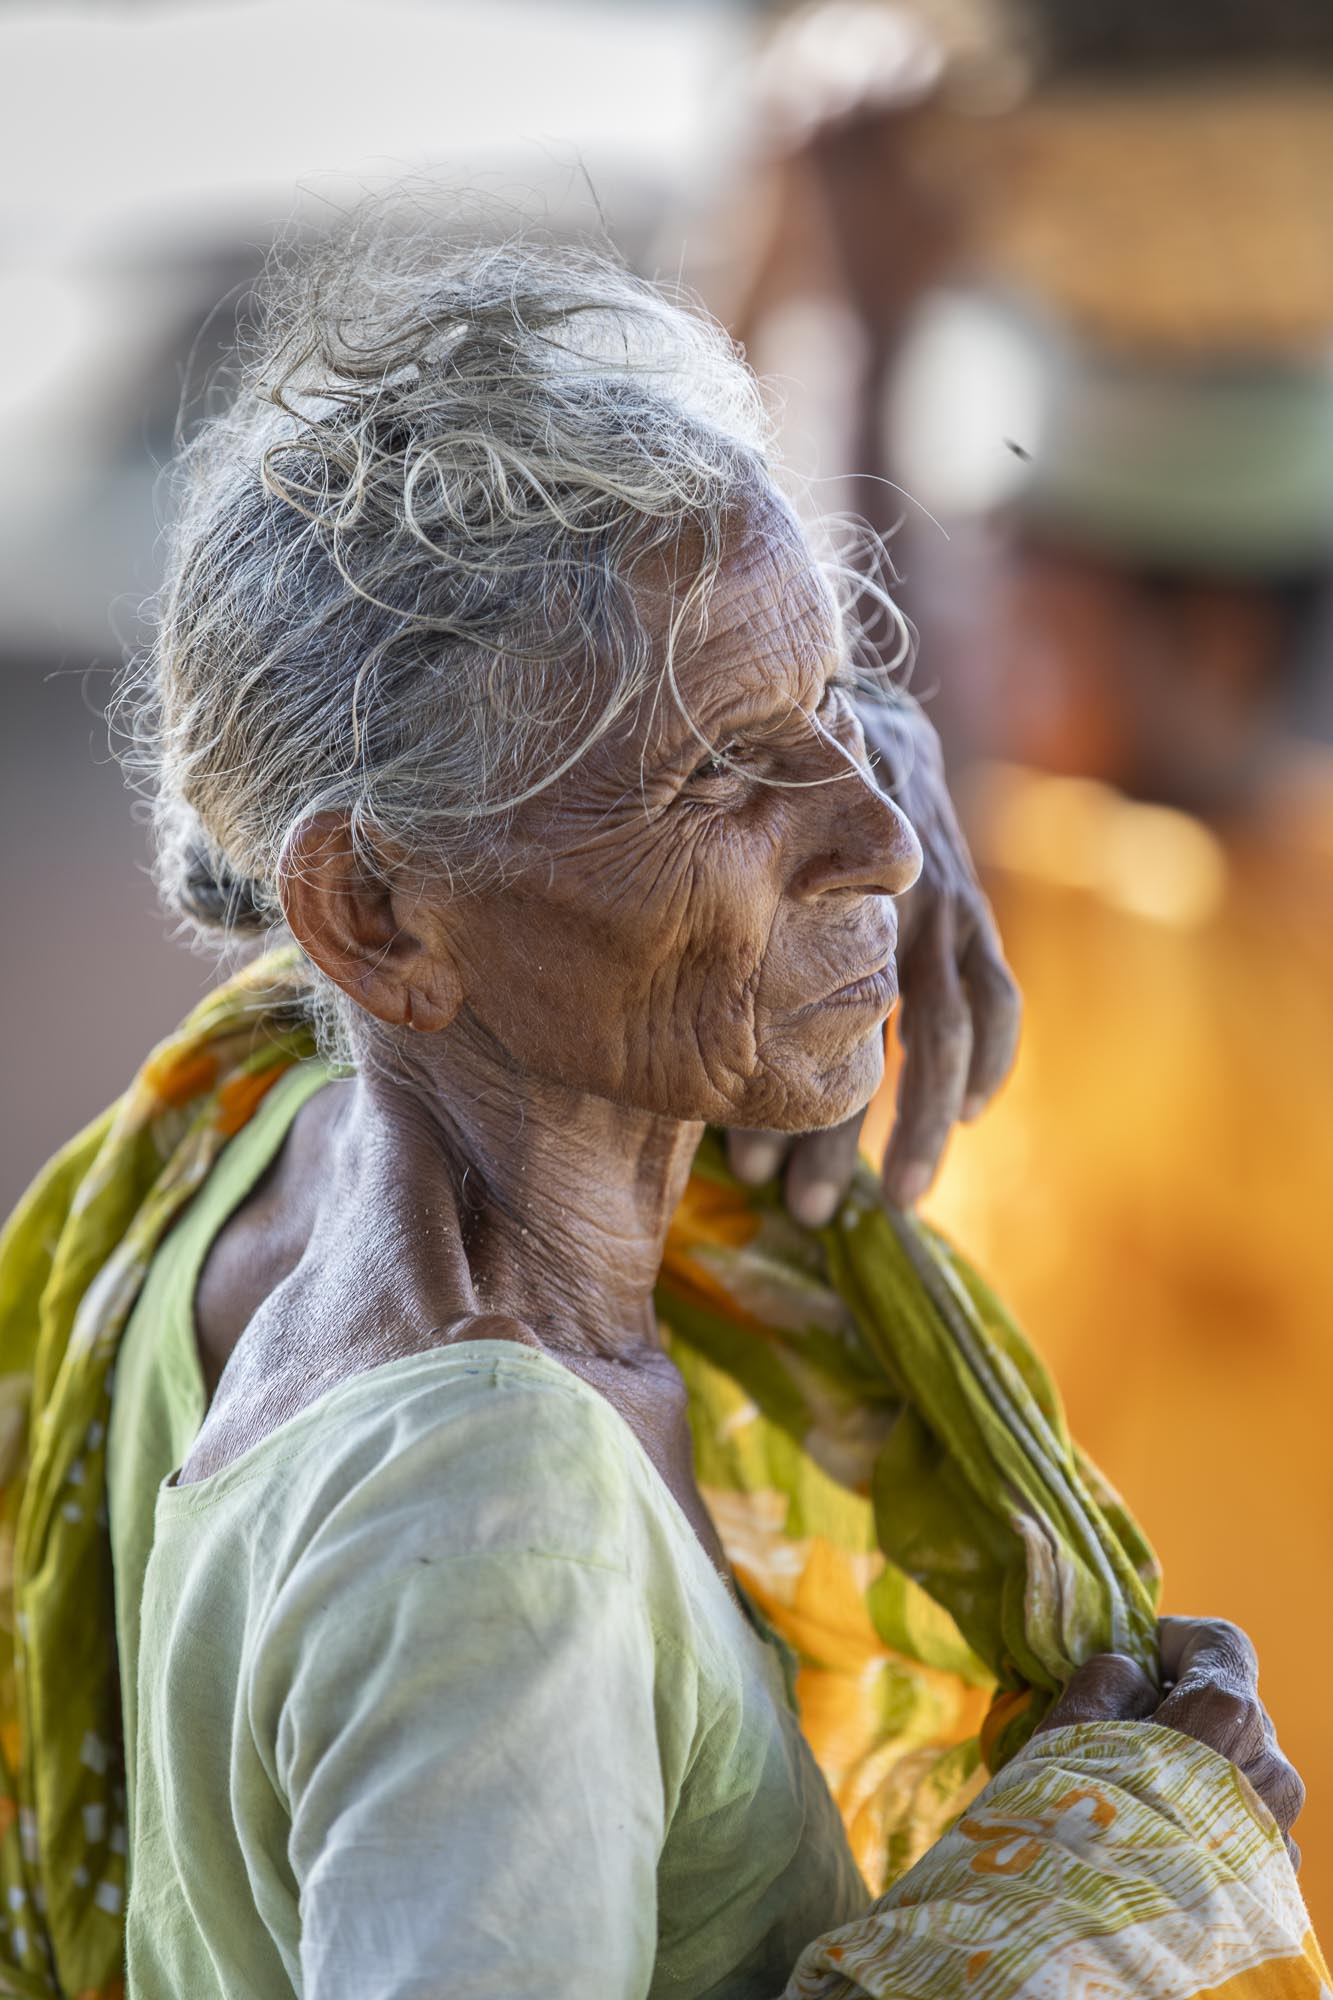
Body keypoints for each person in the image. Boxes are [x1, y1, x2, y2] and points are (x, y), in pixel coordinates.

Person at [0, 219, 1311, 2000]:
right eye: (715, 771)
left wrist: (805, 730)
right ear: (372, 915)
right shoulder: (494, 1511)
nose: (886, 840)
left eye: (832, 706)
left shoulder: (261, 1146)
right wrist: (1091, 1898)